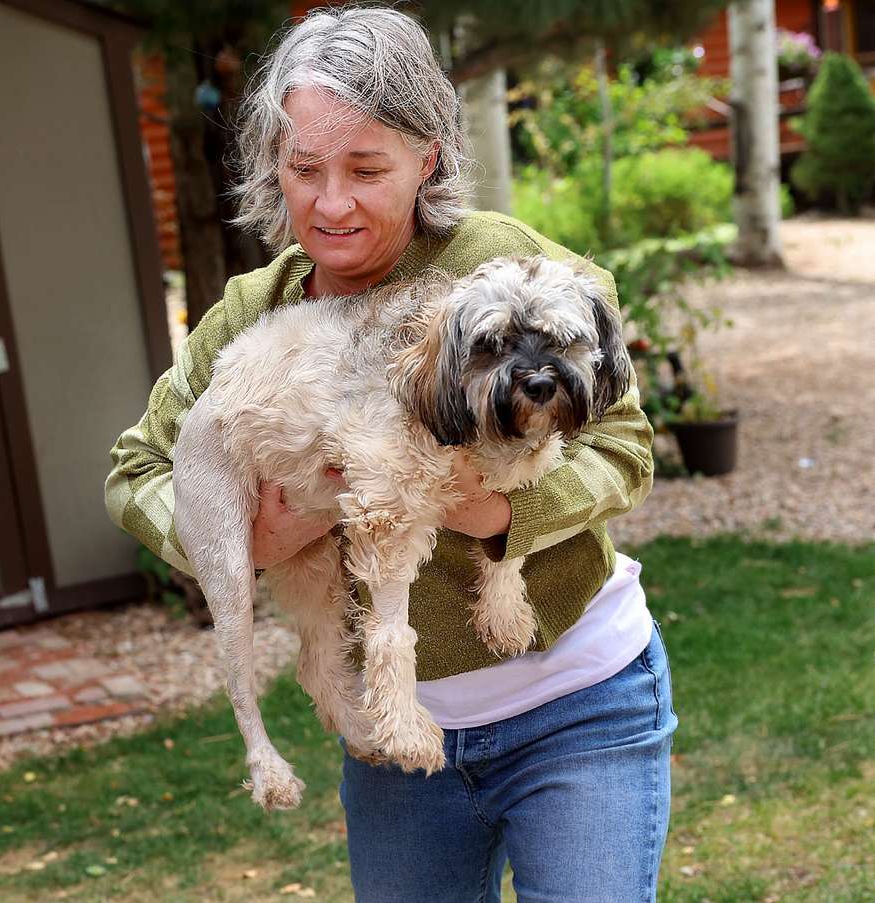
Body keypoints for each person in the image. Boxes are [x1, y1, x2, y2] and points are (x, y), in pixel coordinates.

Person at [106, 7, 675, 901]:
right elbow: (136, 471)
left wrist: (501, 513)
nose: (331, 203)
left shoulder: (510, 266)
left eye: (366, 169)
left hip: (579, 704)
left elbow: (626, 444)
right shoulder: (254, 315)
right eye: (304, 170)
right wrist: (253, 537)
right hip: (393, 739)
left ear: (430, 155)